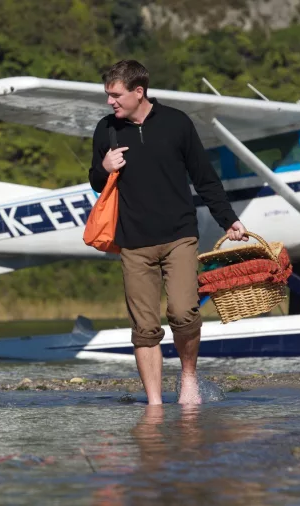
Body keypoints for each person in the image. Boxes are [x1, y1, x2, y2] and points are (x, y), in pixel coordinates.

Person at [89, 60, 248, 405]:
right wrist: (103, 168)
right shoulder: (106, 130)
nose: (109, 102)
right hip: (132, 242)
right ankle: (155, 405)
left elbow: (204, 177)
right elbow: (96, 182)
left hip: (179, 236)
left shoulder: (177, 123)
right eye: (108, 95)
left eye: (115, 95)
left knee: (183, 312)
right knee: (144, 329)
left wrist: (228, 220)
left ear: (138, 91)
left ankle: (188, 377)